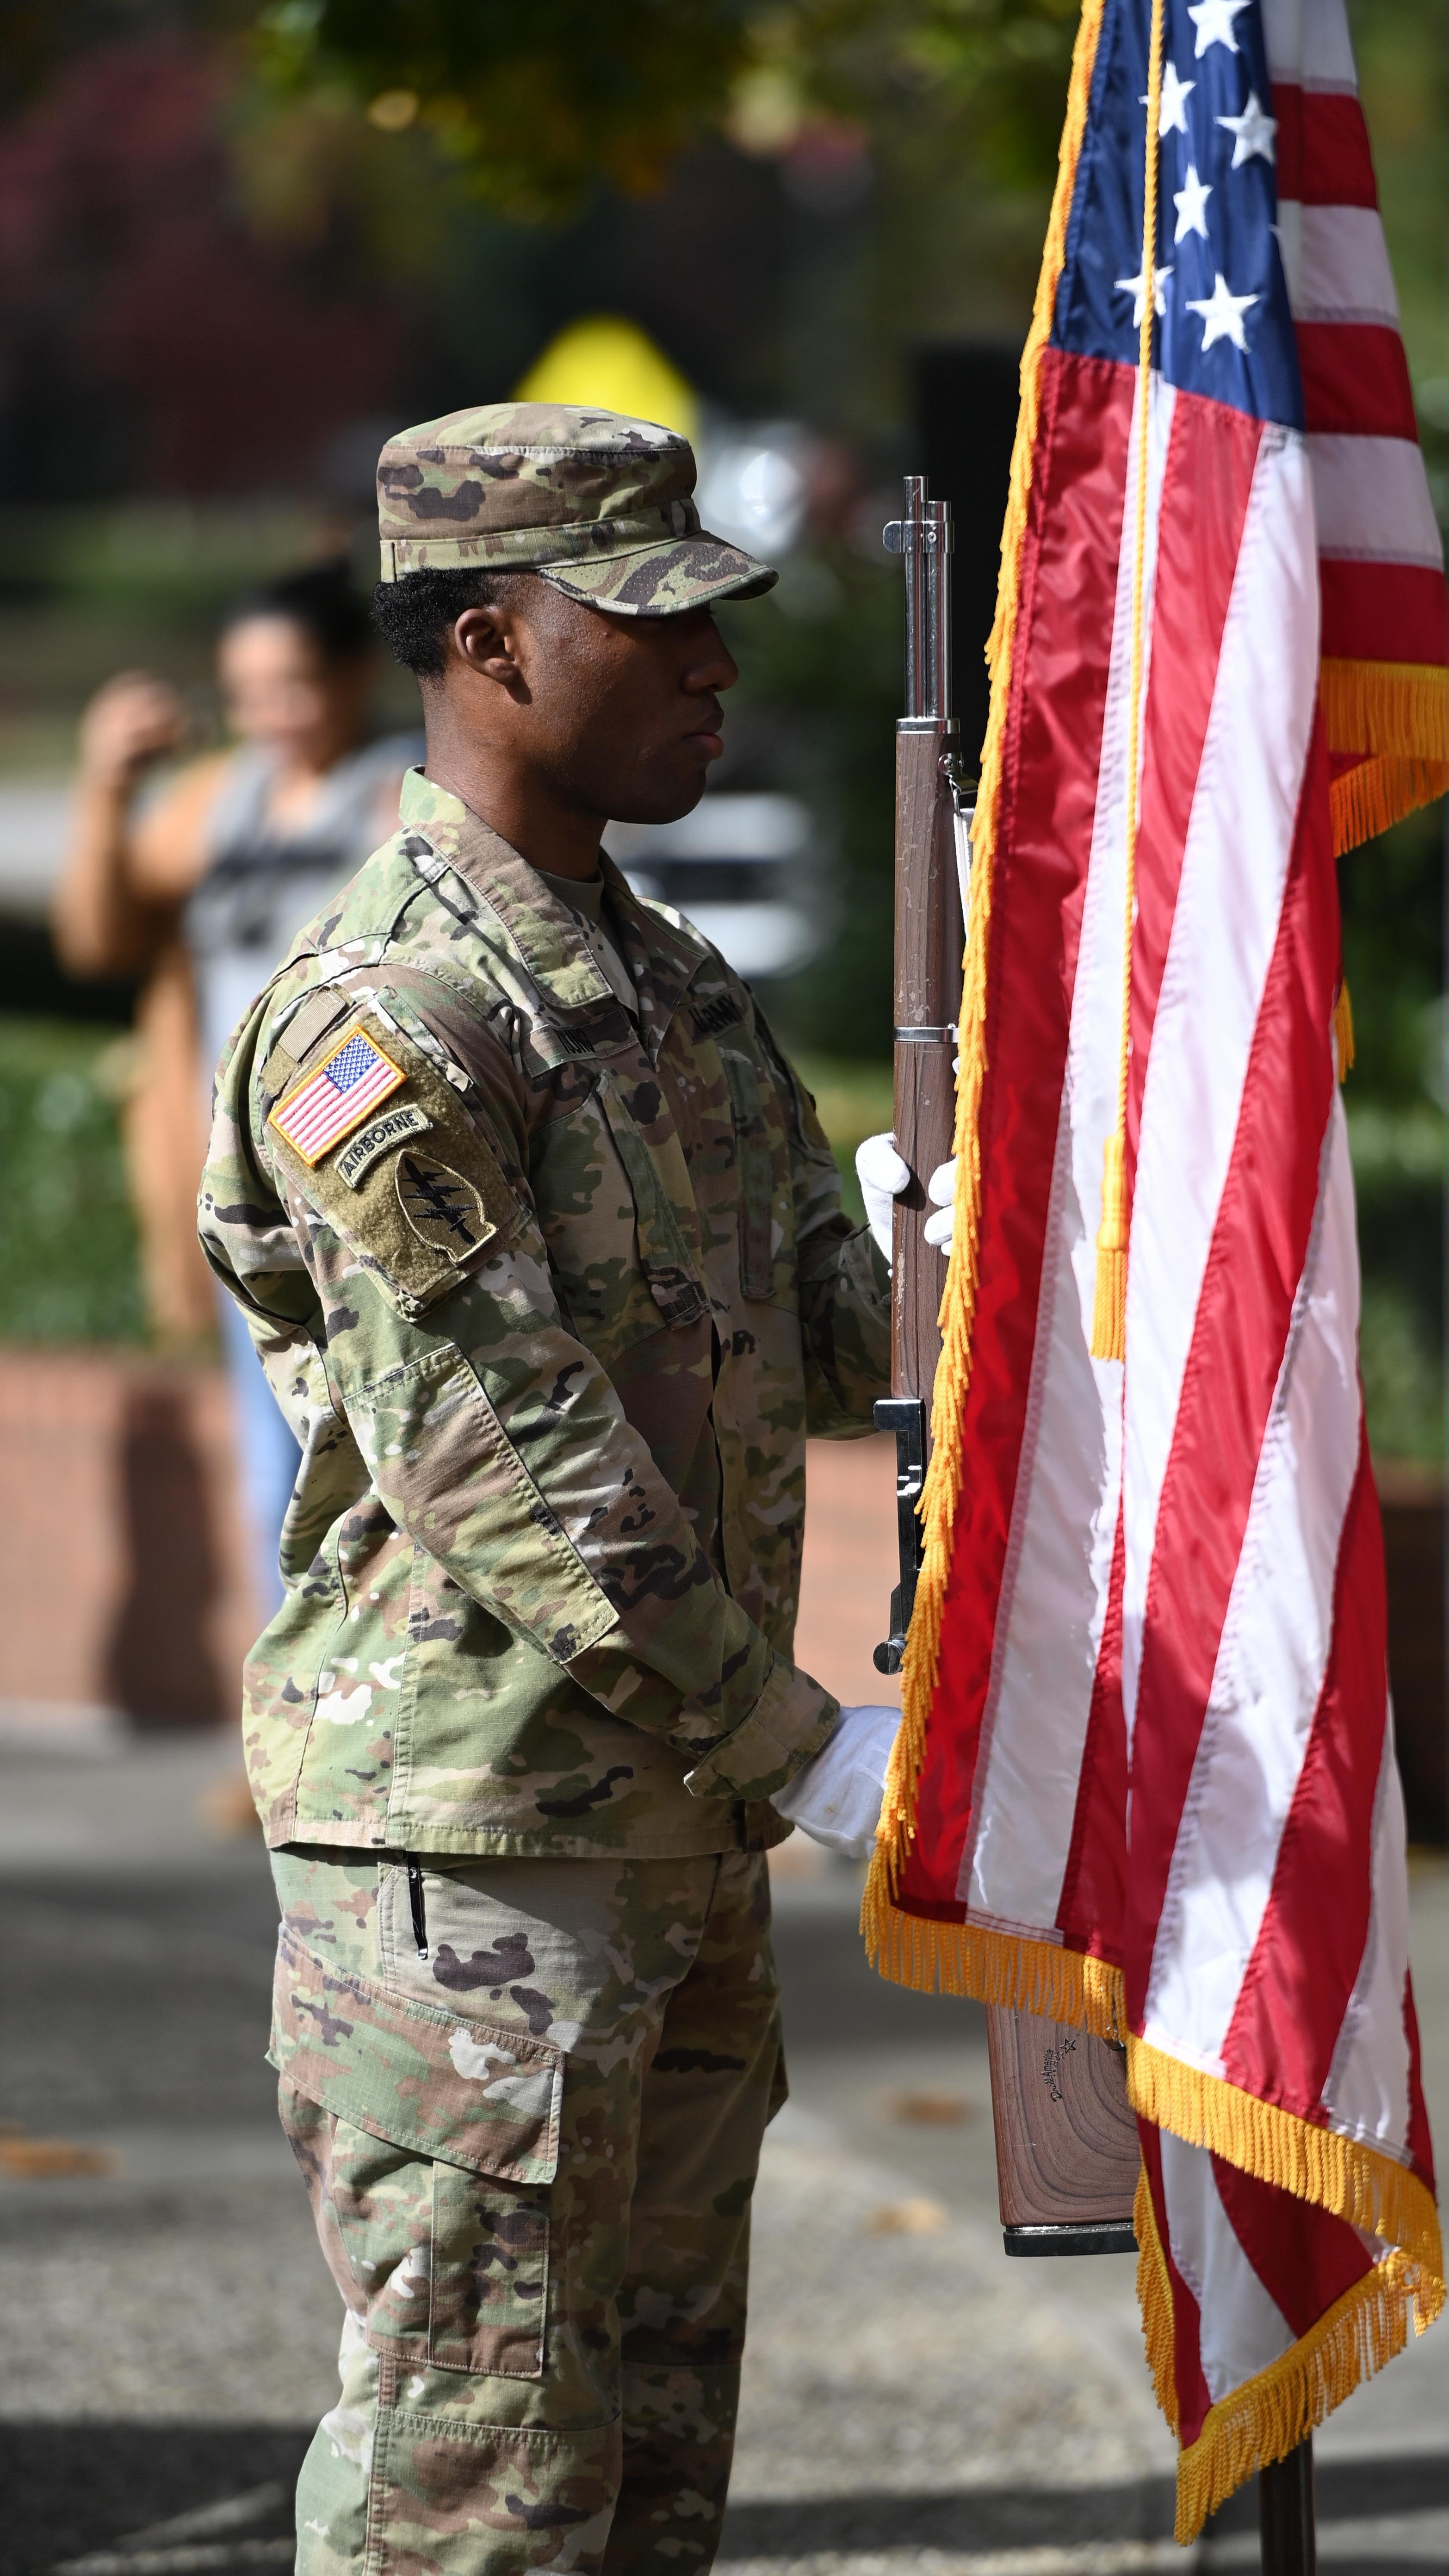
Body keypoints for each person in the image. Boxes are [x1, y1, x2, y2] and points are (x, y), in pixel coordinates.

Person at [198, 404, 906, 2576]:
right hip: (477, 1867)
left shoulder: (668, 989)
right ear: (492, 642)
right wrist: (802, 1743)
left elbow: (838, 1345)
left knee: (648, 2495)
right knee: (475, 2509)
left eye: (717, 623)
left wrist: (964, 1220)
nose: (715, 667)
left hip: (666, 1845)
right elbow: (502, 1453)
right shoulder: (391, 1014)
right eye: (653, 625)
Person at [54, 563, 421, 1615]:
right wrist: (107, 787)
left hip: (363, 1198)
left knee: (394, 1473)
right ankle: (298, 1710)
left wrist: (313, 1121)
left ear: (353, 675)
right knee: (277, 1483)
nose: (269, 713)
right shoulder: (221, 798)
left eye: (290, 684)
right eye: (245, 691)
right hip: (247, 1206)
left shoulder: (401, 799)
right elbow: (99, 942)